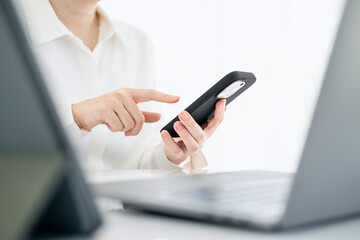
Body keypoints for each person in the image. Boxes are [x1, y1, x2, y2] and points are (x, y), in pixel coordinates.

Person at [18, 0, 226, 170]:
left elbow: (140, 164)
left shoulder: (138, 43)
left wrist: (171, 154)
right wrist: (77, 117)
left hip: (124, 216)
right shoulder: (10, 33)